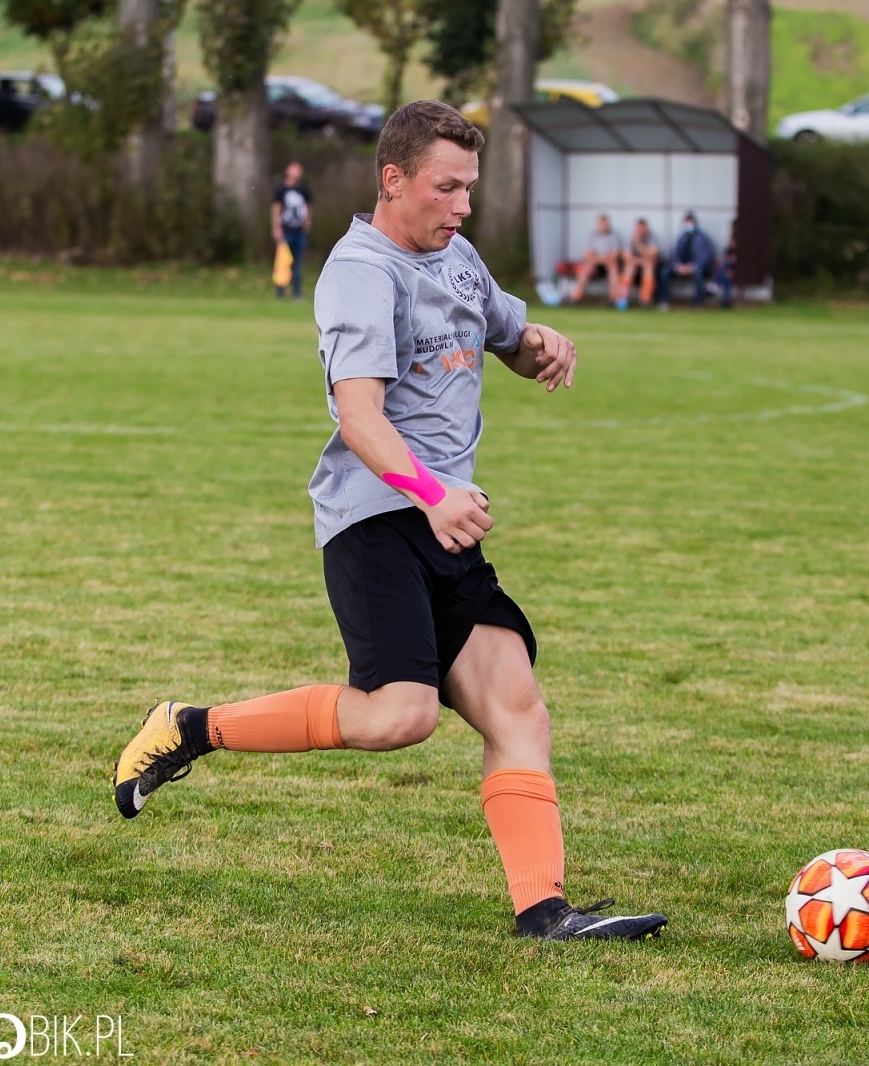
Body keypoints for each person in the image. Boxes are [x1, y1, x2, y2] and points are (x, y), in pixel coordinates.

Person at [112, 100, 668, 942]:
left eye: (470, 189)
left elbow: (506, 336)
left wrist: (542, 344)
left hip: (444, 524)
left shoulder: (456, 256)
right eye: (447, 189)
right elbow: (360, 416)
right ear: (393, 179)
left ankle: (544, 912)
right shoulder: (360, 273)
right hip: (376, 519)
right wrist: (434, 492)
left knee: (518, 707)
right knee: (397, 716)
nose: (463, 206)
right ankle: (191, 728)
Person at [272, 161, 313, 300]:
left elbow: (307, 208)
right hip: (286, 230)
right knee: (283, 262)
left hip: (299, 231)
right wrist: (276, 228)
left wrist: (307, 224)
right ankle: (280, 291)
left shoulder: (304, 189)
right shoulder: (281, 189)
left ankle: (297, 292)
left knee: (298, 263)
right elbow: (276, 209)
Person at [658, 212, 716, 310]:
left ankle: (698, 303)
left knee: (699, 274)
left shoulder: (702, 238)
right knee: (664, 272)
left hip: (697, 267)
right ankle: (663, 301)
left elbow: (705, 256)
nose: (688, 225)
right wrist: (678, 265)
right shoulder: (682, 237)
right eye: (686, 222)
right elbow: (675, 253)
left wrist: (692, 266)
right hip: (682, 267)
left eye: (690, 222)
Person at [570, 214, 624, 307]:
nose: (603, 225)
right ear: (597, 224)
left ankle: (614, 299)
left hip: (609, 263)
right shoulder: (591, 235)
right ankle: (576, 297)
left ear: (608, 224)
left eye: (605, 223)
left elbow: (614, 256)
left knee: (613, 270)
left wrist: (599, 258)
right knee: (584, 270)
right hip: (595, 263)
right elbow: (587, 254)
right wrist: (600, 258)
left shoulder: (615, 235)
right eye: (601, 224)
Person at [622, 218, 662, 307]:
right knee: (629, 268)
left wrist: (638, 243)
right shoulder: (630, 238)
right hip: (635, 264)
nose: (641, 231)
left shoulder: (653, 238)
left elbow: (652, 255)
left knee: (648, 267)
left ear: (647, 229)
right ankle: (622, 299)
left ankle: (645, 300)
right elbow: (627, 257)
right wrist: (641, 260)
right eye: (639, 229)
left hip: (648, 266)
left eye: (643, 229)